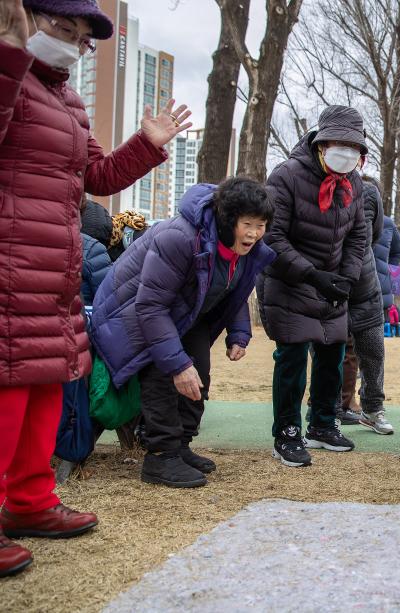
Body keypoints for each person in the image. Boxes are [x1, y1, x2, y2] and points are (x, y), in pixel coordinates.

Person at [0, 0, 191, 578]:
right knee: (7, 394)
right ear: (26, 18)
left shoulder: (69, 100)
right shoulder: (9, 72)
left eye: (85, 39)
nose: (75, 45)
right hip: (9, 259)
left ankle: (31, 501)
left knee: (46, 385)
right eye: (66, 29)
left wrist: (146, 145)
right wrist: (9, 55)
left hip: (54, 265)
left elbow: (97, 176)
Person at [91, 179, 275, 488]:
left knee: (198, 371)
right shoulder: (180, 237)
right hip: (134, 310)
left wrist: (239, 333)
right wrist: (176, 364)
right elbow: (149, 306)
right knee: (164, 372)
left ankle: (181, 446)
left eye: (261, 225)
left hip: (186, 313)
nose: (255, 233)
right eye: (248, 224)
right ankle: (160, 456)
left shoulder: (242, 249)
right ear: (229, 220)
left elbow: (235, 289)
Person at [260, 105, 368, 467]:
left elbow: (358, 235)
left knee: (332, 355)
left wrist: (347, 277)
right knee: (291, 358)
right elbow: (271, 236)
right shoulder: (286, 176)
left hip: (333, 284)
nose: (347, 152)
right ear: (321, 143)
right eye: (339, 143)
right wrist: (310, 274)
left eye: (354, 147)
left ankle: (323, 422)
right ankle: (286, 432)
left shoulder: (355, 184)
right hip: (290, 280)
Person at [341, 175, 393, 435]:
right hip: (331, 280)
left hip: (366, 284)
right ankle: (326, 408)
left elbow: (373, 235)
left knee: (373, 350)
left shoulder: (370, 194)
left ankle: (373, 408)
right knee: (328, 352)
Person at [374, 214, 400, 315]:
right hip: (351, 295)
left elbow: (396, 252)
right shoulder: (348, 215)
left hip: (381, 299)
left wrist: (390, 280)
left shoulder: (387, 223)